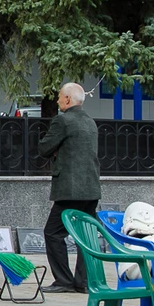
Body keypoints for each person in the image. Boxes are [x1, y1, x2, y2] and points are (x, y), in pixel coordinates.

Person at [37, 82, 100, 292]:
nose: (57, 101)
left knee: (53, 233)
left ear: (67, 99)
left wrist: (56, 150)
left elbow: (44, 148)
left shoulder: (63, 120)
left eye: (59, 97)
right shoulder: (90, 121)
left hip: (70, 189)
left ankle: (63, 281)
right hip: (91, 188)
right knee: (85, 236)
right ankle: (83, 282)